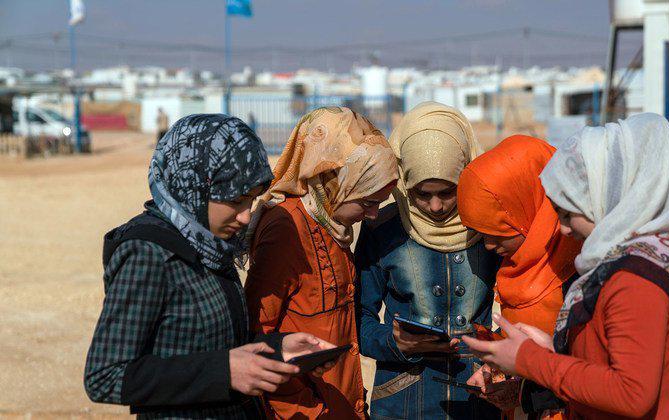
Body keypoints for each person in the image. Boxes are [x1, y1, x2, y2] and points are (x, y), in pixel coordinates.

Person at [84, 114, 337, 419]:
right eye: (236, 200)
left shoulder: (210, 243)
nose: (245, 217)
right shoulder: (148, 252)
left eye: (252, 201)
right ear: (195, 185)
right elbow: (105, 376)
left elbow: (219, 346)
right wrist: (224, 372)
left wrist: (278, 348)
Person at [463, 113, 669, 419]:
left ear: (612, 198)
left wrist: (530, 359)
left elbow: (631, 393)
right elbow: (614, 363)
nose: (563, 229)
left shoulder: (636, 279)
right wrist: (553, 349)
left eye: (569, 213)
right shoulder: (659, 256)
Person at [245, 106, 398, 419]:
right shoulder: (286, 228)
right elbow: (257, 336)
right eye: (367, 202)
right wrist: (311, 410)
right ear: (332, 180)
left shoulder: (333, 226)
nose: (371, 215)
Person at [355, 101, 500, 419]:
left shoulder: (488, 225)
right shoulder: (382, 229)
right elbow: (357, 320)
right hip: (402, 400)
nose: (435, 206)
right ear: (404, 184)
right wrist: (397, 343)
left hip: (478, 397)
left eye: (448, 191)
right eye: (422, 194)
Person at [456, 135, 582, 418]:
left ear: (532, 210)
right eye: (482, 234)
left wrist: (529, 393)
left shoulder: (582, 266)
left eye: (500, 233)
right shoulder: (517, 264)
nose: (489, 246)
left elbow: (596, 371)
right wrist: (496, 366)